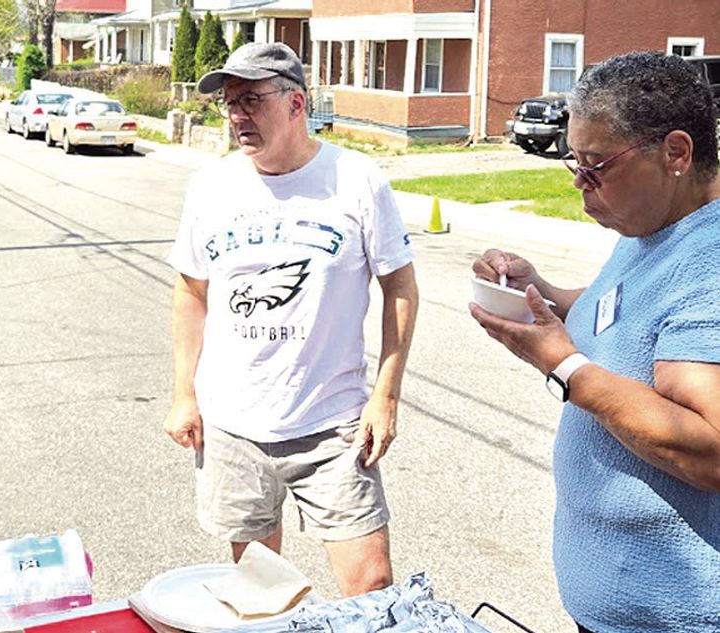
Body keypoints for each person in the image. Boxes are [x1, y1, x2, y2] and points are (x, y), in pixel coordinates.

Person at [469, 51, 720, 633]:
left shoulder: (709, 265)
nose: (582, 186)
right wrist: (544, 294)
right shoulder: (655, 225)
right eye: (572, 165)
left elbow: (711, 447)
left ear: (676, 153)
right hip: (623, 606)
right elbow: (628, 314)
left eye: (596, 166)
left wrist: (566, 367)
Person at [164, 42, 419, 596]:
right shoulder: (212, 186)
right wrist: (184, 392)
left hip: (332, 423)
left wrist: (386, 395)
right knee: (259, 588)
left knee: (371, 587)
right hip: (232, 422)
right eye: (230, 104)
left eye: (251, 100)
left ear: (296, 103)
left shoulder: (357, 180)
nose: (237, 116)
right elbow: (191, 292)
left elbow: (399, 284)